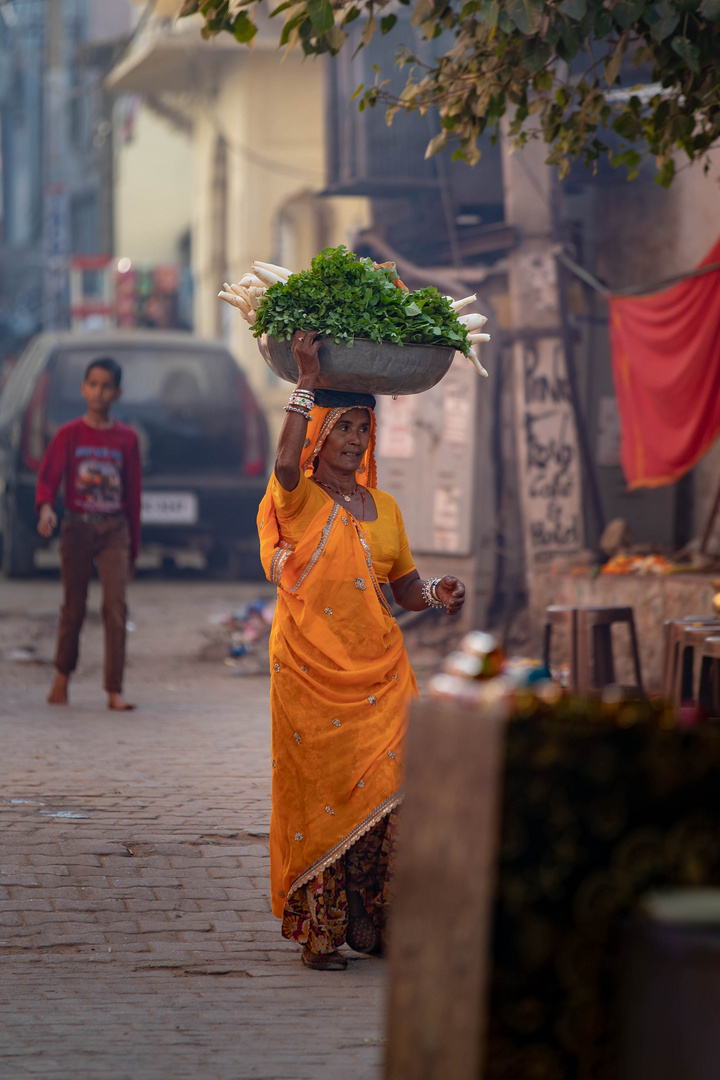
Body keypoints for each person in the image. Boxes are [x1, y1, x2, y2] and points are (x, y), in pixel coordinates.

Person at [257, 329, 466, 971]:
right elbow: (284, 466)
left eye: (361, 430)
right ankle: (322, 932)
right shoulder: (300, 500)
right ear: (320, 433)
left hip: (382, 674)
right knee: (318, 796)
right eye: (343, 427)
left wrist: (437, 591)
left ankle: (379, 922)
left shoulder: (386, 508)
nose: (354, 440)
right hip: (307, 673)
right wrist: (306, 382)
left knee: (397, 790)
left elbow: (402, 588)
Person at [36, 357, 142, 711]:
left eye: (106, 386)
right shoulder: (69, 435)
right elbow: (48, 479)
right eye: (93, 384)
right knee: (73, 607)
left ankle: (114, 689)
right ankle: (62, 676)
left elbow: (133, 496)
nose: (99, 392)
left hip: (114, 529)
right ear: (84, 389)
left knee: (115, 607)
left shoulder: (126, 439)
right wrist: (46, 508)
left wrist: (134, 551)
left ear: (117, 392)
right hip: (77, 528)